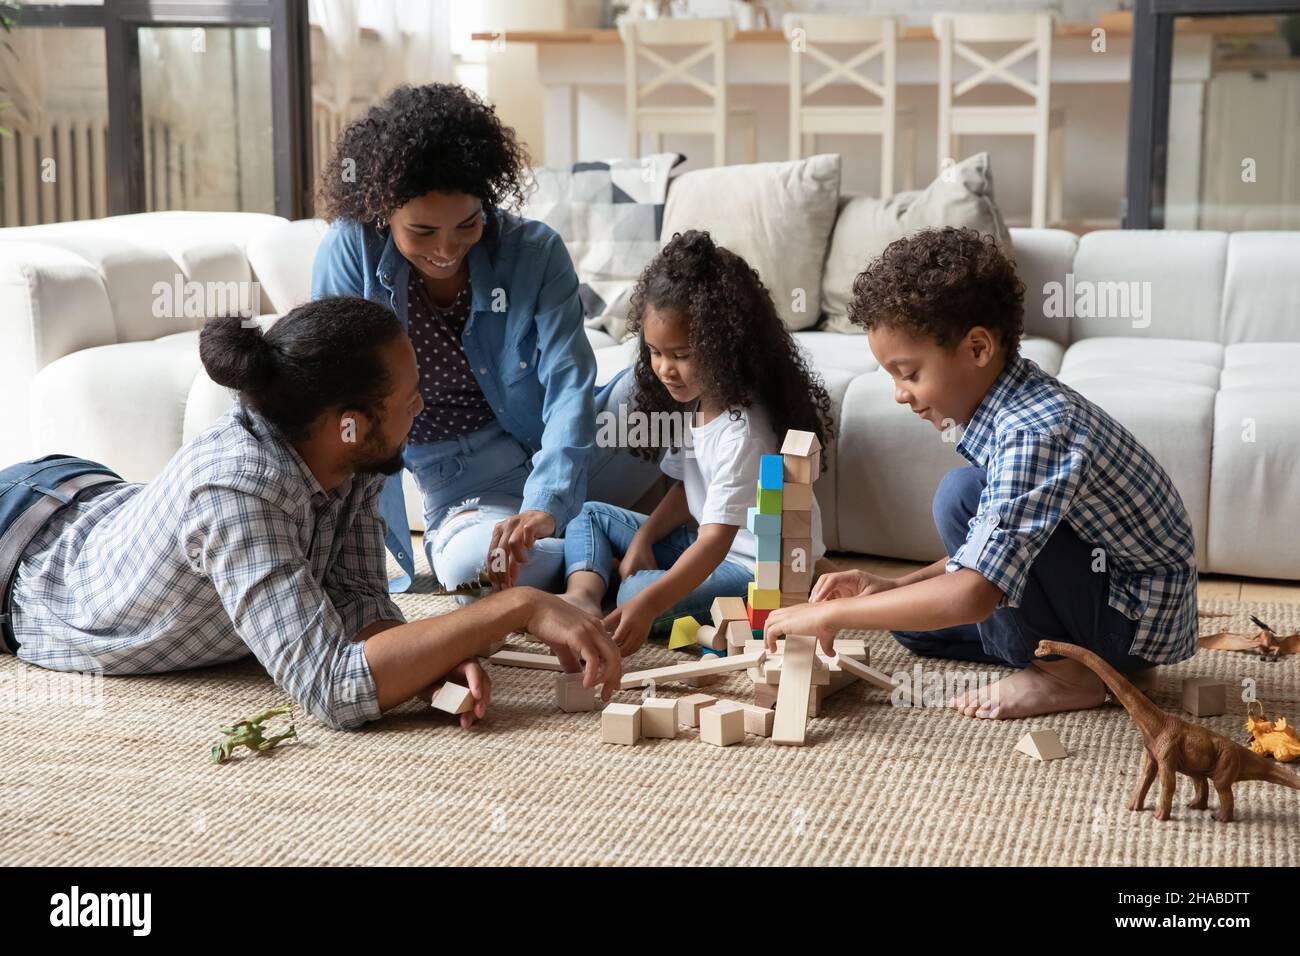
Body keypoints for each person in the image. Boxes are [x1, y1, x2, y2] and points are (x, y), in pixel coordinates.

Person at [0, 298, 621, 731]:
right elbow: (334, 688)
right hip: (19, 547)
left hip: (83, 491)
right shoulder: (237, 495)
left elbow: (356, 602)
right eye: (408, 399)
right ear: (349, 421)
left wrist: (425, 663)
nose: (422, 406)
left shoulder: (348, 456)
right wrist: (516, 606)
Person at [764, 227, 1197, 720]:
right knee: (910, 622)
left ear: (976, 349)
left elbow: (973, 592)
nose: (900, 394)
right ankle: (1100, 666)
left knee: (959, 498)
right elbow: (995, 542)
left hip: (1131, 622)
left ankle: (1069, 677)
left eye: (909, 373)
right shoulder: (1014, 400)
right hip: (1112, 606)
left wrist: (828, 612)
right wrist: (893, 587)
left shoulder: (1034, 432)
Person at [311, 82, 659, 597]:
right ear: (384, 209)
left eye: (467, 224)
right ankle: (611, 540)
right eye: (422, 232)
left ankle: (587, 535)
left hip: (568, 455)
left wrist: (547, 501)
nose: (447, 249)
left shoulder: (535, 252)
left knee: (674, 382)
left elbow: (569, 386)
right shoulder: (349, 253)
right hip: (465, 490)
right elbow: (331, 400)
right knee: (474, 567)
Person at [559, 230, 834, 656]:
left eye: (682, 355)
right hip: (704, 544)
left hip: (752, 571)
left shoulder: (745, 433)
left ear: (726, 346)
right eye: (654, 352)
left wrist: (649, 600)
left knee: (637, 595)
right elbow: (687, 486)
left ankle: (627, 590)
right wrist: (642, 539)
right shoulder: (694, 400)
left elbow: (714, 543)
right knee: (589, 515)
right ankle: (584, 597)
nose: (665, 369)